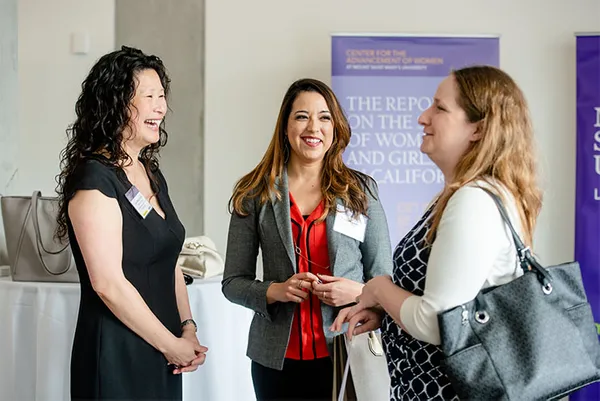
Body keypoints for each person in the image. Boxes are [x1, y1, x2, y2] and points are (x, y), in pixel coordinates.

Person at [332, 65, 543, 400]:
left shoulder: (474, 201)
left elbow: (437, 320)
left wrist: (378, 289)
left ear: (478, 129)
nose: (423, 117)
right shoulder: (473, 195)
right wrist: (388, 311)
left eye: (440, 108)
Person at [222, 78, 393, 400]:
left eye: (324, 117)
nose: (313, 126)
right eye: (301, 116)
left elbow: (383, 274)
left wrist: (356, 291)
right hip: (275, 360)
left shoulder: (361, 192)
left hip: (346, 350)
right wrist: (276, 291)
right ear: (285, 127)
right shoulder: (255, 193)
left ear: (336, 127)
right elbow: (232, 282)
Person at [55, 46, 208, 401]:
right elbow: (107, 283)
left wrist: (187, 329)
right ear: (115, 104)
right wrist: (171, 343)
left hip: (163, 348)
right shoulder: (94, 179)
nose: (161, 107)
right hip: (117, 351)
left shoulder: (149, 171)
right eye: (149, 97)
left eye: (162, 96)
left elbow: (169, 260)